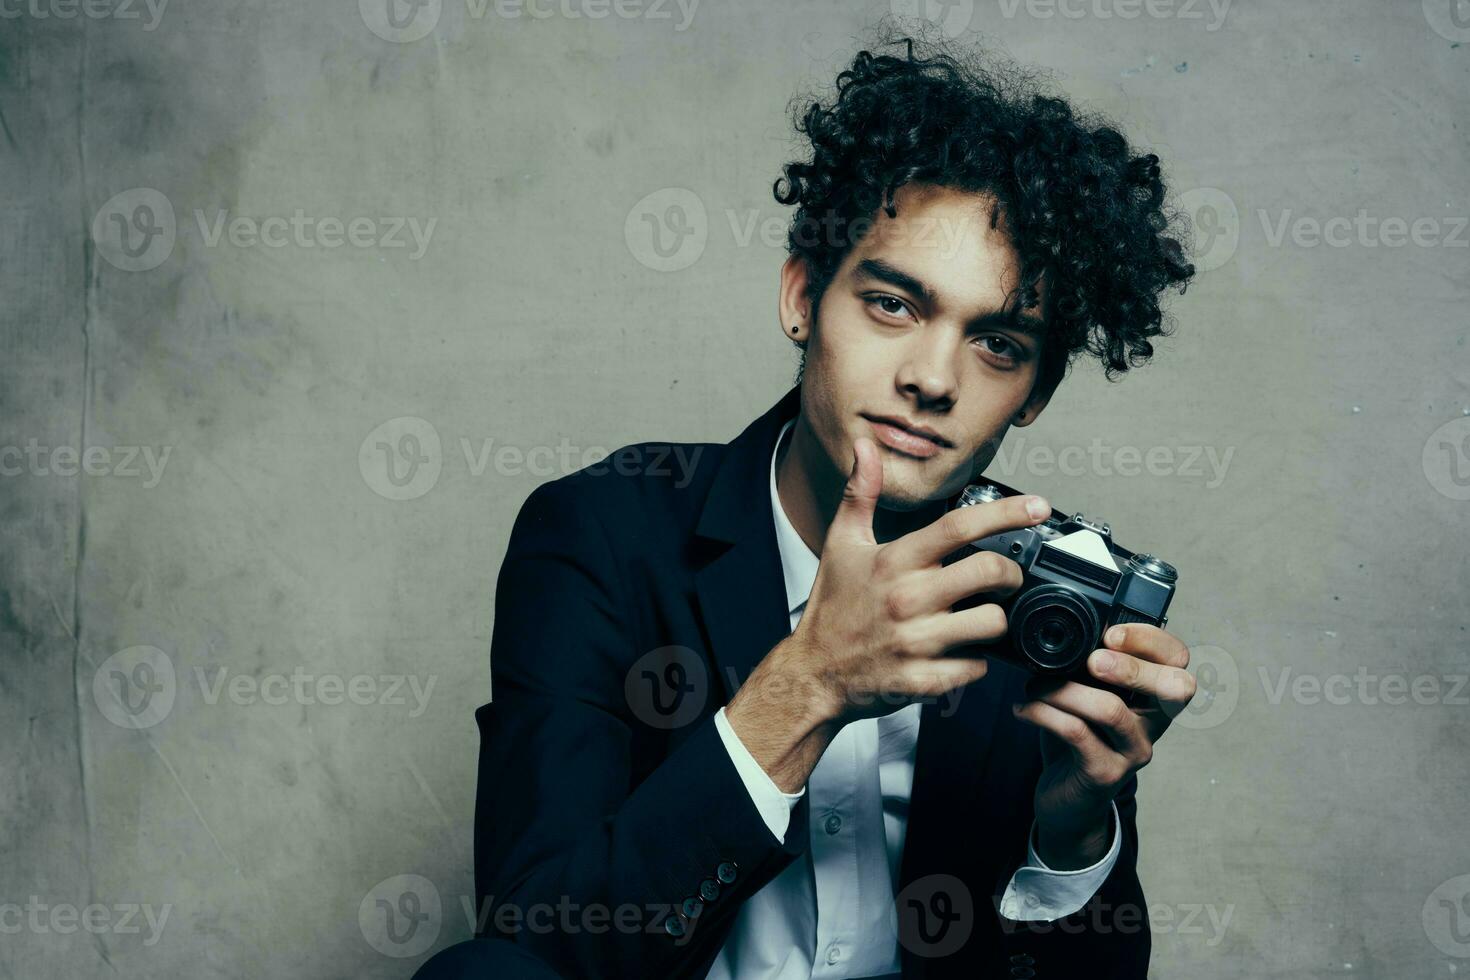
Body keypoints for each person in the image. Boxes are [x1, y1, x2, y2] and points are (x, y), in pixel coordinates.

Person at [422, 30, 1198, 980]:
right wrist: (810, 685)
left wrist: (1073, 832)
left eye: (997, 343)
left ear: (1035, 392)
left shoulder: (1038, 596)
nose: (932, 378)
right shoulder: (603, 534)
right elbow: (532, 938)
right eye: (893, 305)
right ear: (802, 296)